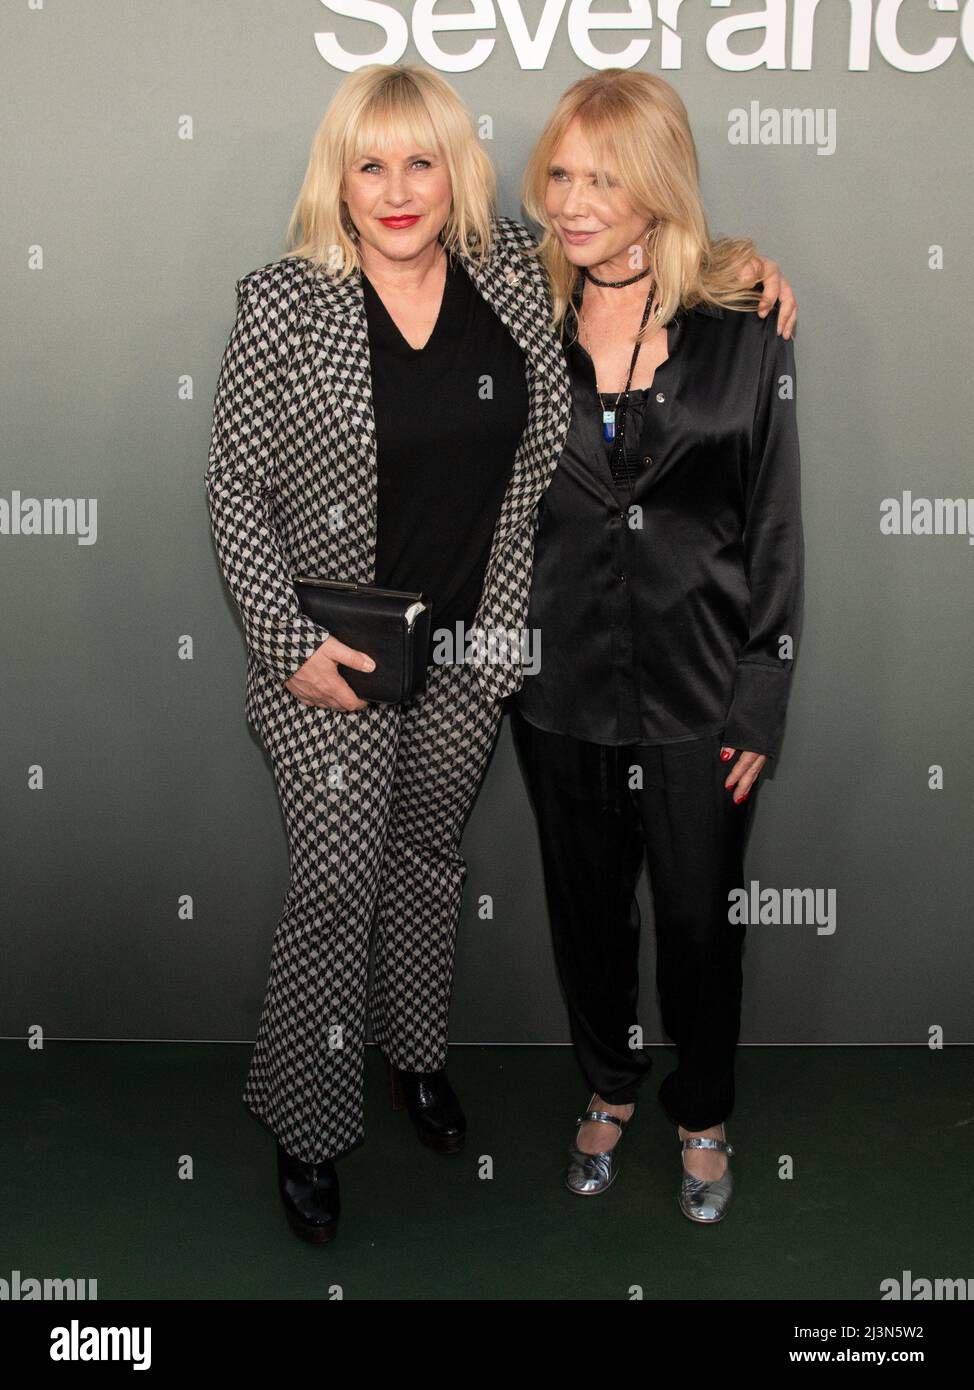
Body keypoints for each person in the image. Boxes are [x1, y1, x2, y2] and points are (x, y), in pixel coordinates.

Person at [205, 63, 794, 1244]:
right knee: (333, 891)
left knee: (425, 861)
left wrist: (747, 262)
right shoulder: (283, 301)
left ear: (456, 171)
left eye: (420, 160)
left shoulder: (508, 279)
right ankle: (310, 1128)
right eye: (369, 164)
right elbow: (234, 488)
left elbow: (630, 215)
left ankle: (419, 1058)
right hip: (335, 653)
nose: (395, 188)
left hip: (479, 651)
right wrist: (287, 646)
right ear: (339, 176)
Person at [509, 69, 804, 1224]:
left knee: (695, 921)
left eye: (605, 179)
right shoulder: (518, 315)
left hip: (699, 691)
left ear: (659, 186)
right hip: (557, 684)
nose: (574, 204)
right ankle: (607, 1086)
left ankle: (703, 1107)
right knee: (586, 913)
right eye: (561, 176)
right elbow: (409, 223)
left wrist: (761, 689)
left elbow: (772, 517)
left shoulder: (744, 329)